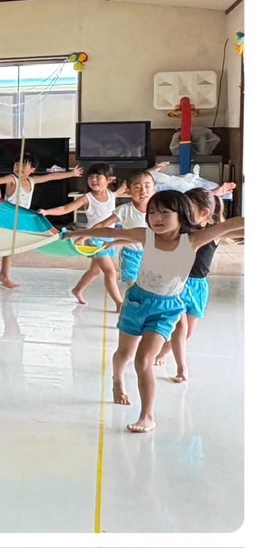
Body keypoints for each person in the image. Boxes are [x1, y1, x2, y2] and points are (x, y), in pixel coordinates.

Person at [63, 189, 244, 433]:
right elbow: (109, 231)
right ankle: (117, 380)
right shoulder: (146, 235)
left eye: (164, 212)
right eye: (152, 212)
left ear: (183, 214)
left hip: (166, 309)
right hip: (137, 301)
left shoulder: (192, 240)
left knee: (143, 360)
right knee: (124, 354)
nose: (156, 217)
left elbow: (233, 224)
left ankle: (147, 416)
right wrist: (78, 232)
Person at [154, 183, 234, 382]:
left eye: (187, 210)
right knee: (180, 327)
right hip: (177, 284)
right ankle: (181, 368)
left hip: (199, 286)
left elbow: (236, 228)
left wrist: (216, 194)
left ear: (205, 212)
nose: (183, 214)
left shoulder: (214, 233)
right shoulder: (182, 231)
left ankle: (163, 352)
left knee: (188, 332)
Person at [0, 156, 82, 288]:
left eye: (23, 166)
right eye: (16, 165)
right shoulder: (12, 179)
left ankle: (4, 274)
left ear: (32, 170)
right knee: (10, 247)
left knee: (13, 246)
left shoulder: (32, 180)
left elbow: (52, 177)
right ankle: (4, 275)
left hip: (23, 218)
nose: (19, 168)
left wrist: (71, 173)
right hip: (10, 218)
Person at [38, 162, 126, 308]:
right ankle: (119, 303)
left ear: (109, 179)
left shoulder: (112, 195)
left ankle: (77, 290)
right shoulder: (87, 198)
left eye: (98, 177)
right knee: (110, 271)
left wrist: (155, 169)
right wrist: (47, 212)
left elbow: (123, 188)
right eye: (90, 177)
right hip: (94, 238)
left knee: (95, 270)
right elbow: (66, 208)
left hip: (109, 237)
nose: (94, 180)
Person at [86, 166, 161, 293]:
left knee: (153, 288)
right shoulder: (124, 210)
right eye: (137, 187)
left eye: (147, 186)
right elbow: (103, 224)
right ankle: (131, 309)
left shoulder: (161, 209)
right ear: (128, 191)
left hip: (155, 254)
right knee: (133, 288)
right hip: (131, 255)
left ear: (155, 188)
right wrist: (84, 235)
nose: (143, 191)